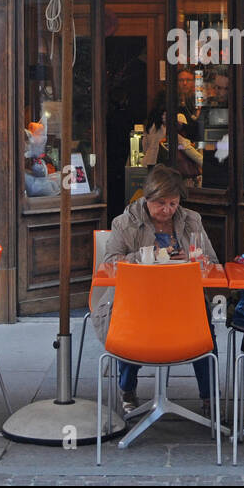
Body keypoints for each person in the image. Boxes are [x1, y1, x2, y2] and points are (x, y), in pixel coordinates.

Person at [93, 165, 219, 418]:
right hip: (138, 300)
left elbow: (212, 262)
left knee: (203, 324)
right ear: (147, 198)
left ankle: (209, 397)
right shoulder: (125, 222)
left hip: (182, 300)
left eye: (173, 204)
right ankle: (127, 390)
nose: (167, 210)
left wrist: (195, 258)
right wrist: (142, 256)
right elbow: (109, 264)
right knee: (132, 326)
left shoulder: (191, 219)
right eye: (160, 203)